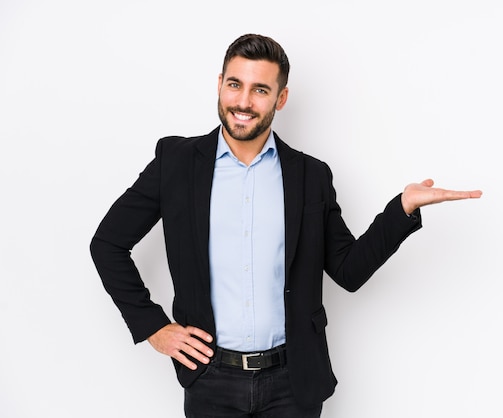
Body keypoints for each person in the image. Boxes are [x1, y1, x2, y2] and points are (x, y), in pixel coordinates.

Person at [90, 33, 482, 418]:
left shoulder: (310, 176)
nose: (243, 102)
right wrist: (153, 326)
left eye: (260, 90)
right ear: (220, 85)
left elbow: (349, 270)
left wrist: (403, 209)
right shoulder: (175, 161)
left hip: (292, 385)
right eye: (234, 85)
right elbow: (107, 244)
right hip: (210, 380)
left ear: (281, 98)